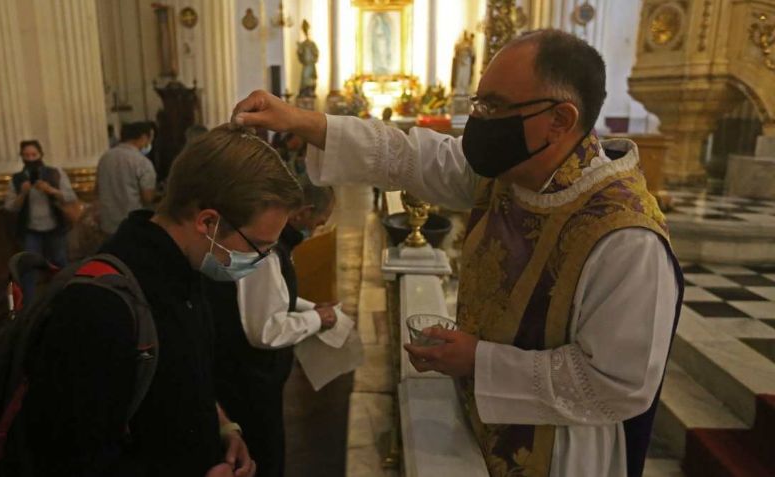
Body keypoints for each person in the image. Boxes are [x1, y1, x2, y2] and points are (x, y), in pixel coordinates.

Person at [230, 29, 684, 477]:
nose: (480, 120)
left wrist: (479, 361)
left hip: (562, 451)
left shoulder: (625, 237)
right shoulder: (514, 170)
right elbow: (407, 158)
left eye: (495, 106)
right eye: (479, 103)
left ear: (560, 120)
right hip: (484, 420)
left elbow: (618, 385)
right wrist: (301, 121)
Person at [20, 125, 303, 477]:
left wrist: (224, 428)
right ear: (209, 222)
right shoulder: (99, 306)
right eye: (259, 246)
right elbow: (67, 459)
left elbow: (186, 381)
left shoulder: (187, 270)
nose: (260, 260)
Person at [210, 181, 336, 477]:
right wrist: (318, 320)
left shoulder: (273, 243)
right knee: (263, 456)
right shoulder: (265, 250)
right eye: (318, 223)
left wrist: (310, 308)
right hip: (248, 381)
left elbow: (274, 298)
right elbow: (264, 329)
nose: (316, 230)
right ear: (302, 213)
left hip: (254, 380)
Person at [3, 139, 78, 300]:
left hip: (55, 226)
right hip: (31, 230)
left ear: (41, 154)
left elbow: (70, 197)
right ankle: (29, 304)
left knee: (60, 262)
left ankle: (65, 297)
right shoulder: (17, 178)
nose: (30, 159)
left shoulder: (55, 173)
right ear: (21, 157)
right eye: (26, 155)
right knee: (29, 267)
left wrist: (51, 190)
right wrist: (23, 193)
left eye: (33, 154)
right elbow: (9, 207)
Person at [96, 121, 157, 235]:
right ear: (144, 137)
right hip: (132, 223)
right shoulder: (142, 162)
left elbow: (97, 189)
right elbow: (147, 197)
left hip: (107, 223)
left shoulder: (105, 158)